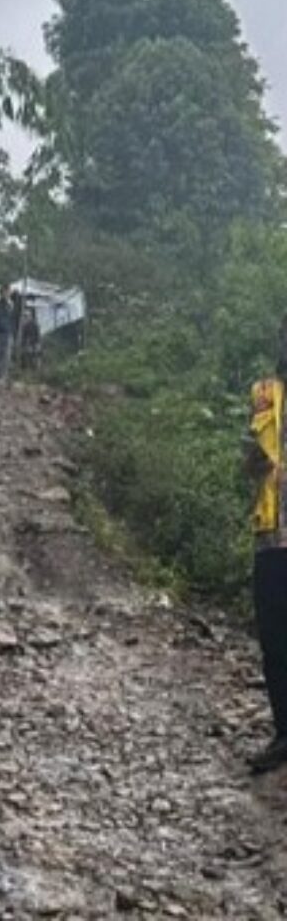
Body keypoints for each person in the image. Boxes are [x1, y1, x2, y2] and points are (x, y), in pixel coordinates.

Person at [245, 320, 287, 774]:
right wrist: (251, 459)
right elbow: (249, 461)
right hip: (272, 534)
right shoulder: (264, 393)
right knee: (275, 642)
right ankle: (284, 733)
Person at [20, 307, 42, 372]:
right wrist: (24, 343)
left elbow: (38, 335)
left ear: (30, 316)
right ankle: (29, 369)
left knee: (36, 356)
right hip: (28, 343)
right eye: (25, 316)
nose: (26, 318)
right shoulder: (24, 325)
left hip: (34, 343)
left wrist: (37, 344)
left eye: (27, 316)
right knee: (28, 355)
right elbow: (23, 336)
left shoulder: (35, 324)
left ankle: (36, 369)